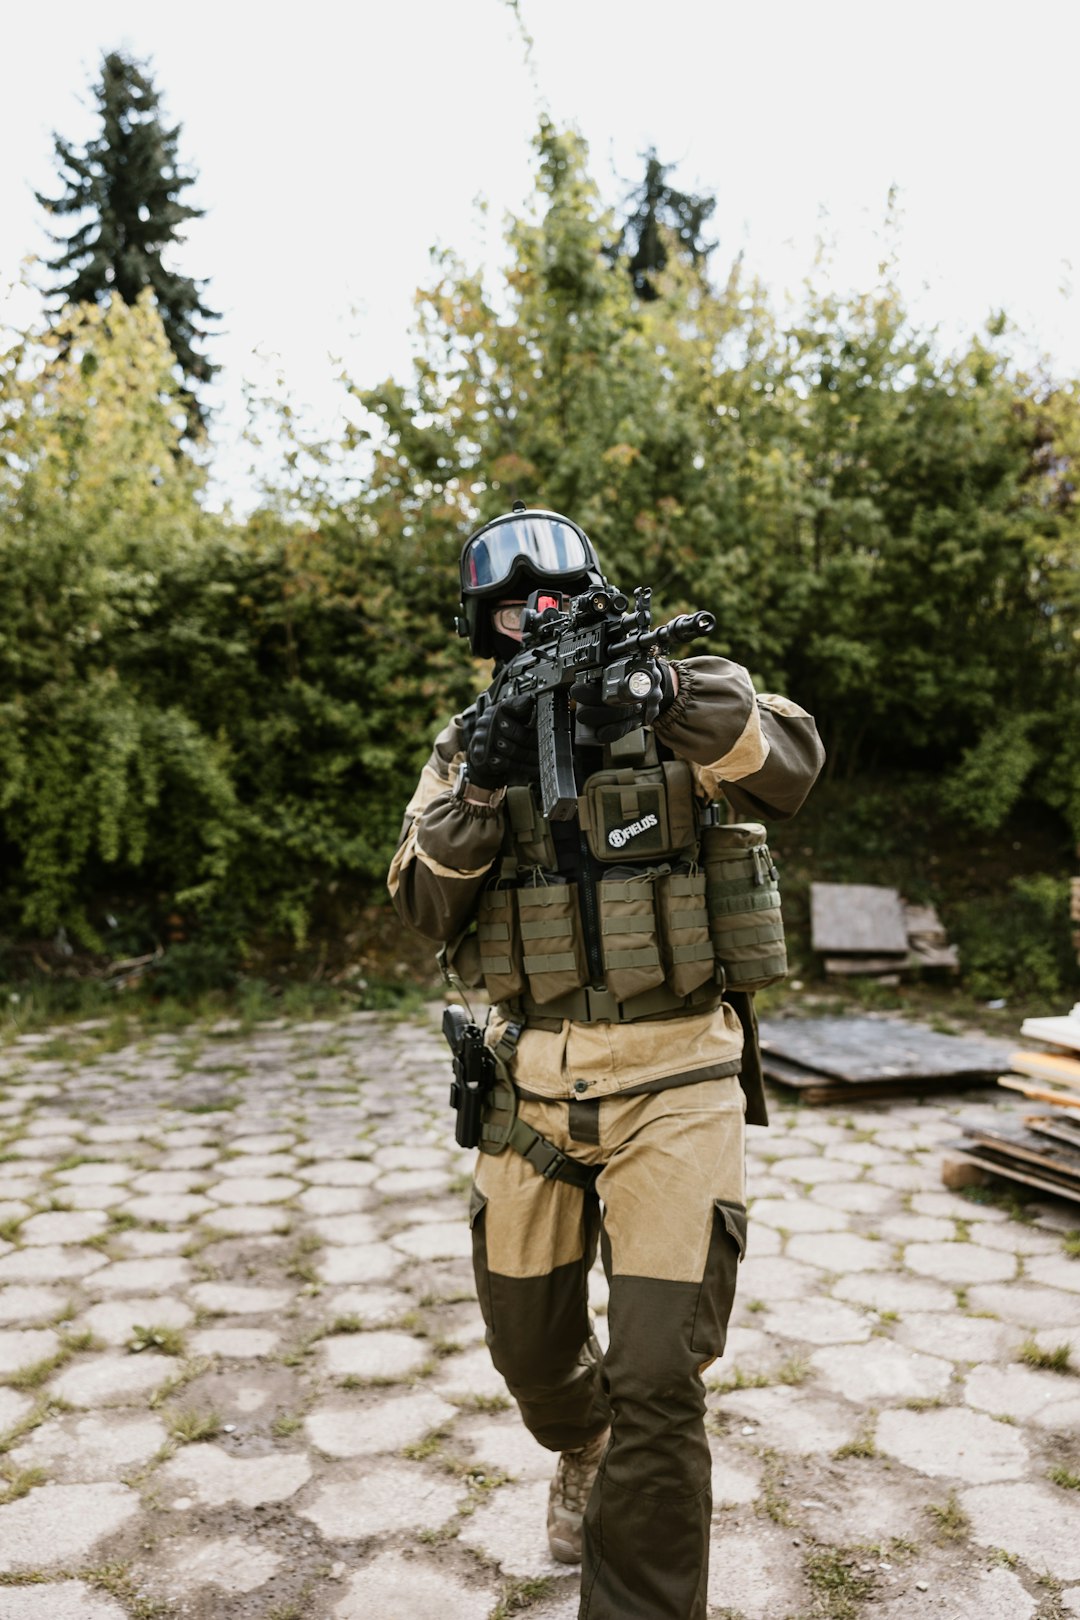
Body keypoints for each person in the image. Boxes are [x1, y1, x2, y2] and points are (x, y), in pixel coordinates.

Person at [388, 504, 824, 1620]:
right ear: (485, 630)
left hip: (678, 1080)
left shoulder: (685, 697)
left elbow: (790, 765)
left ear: (593, 604)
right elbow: (421, 906)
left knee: (660, 1379)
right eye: (512, 612)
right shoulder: (465, 747)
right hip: (528, 1086)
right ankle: (583, 1445)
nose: (537, 622)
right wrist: (479, 789)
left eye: (556, 603)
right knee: (533, 1360)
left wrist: (663, 695)